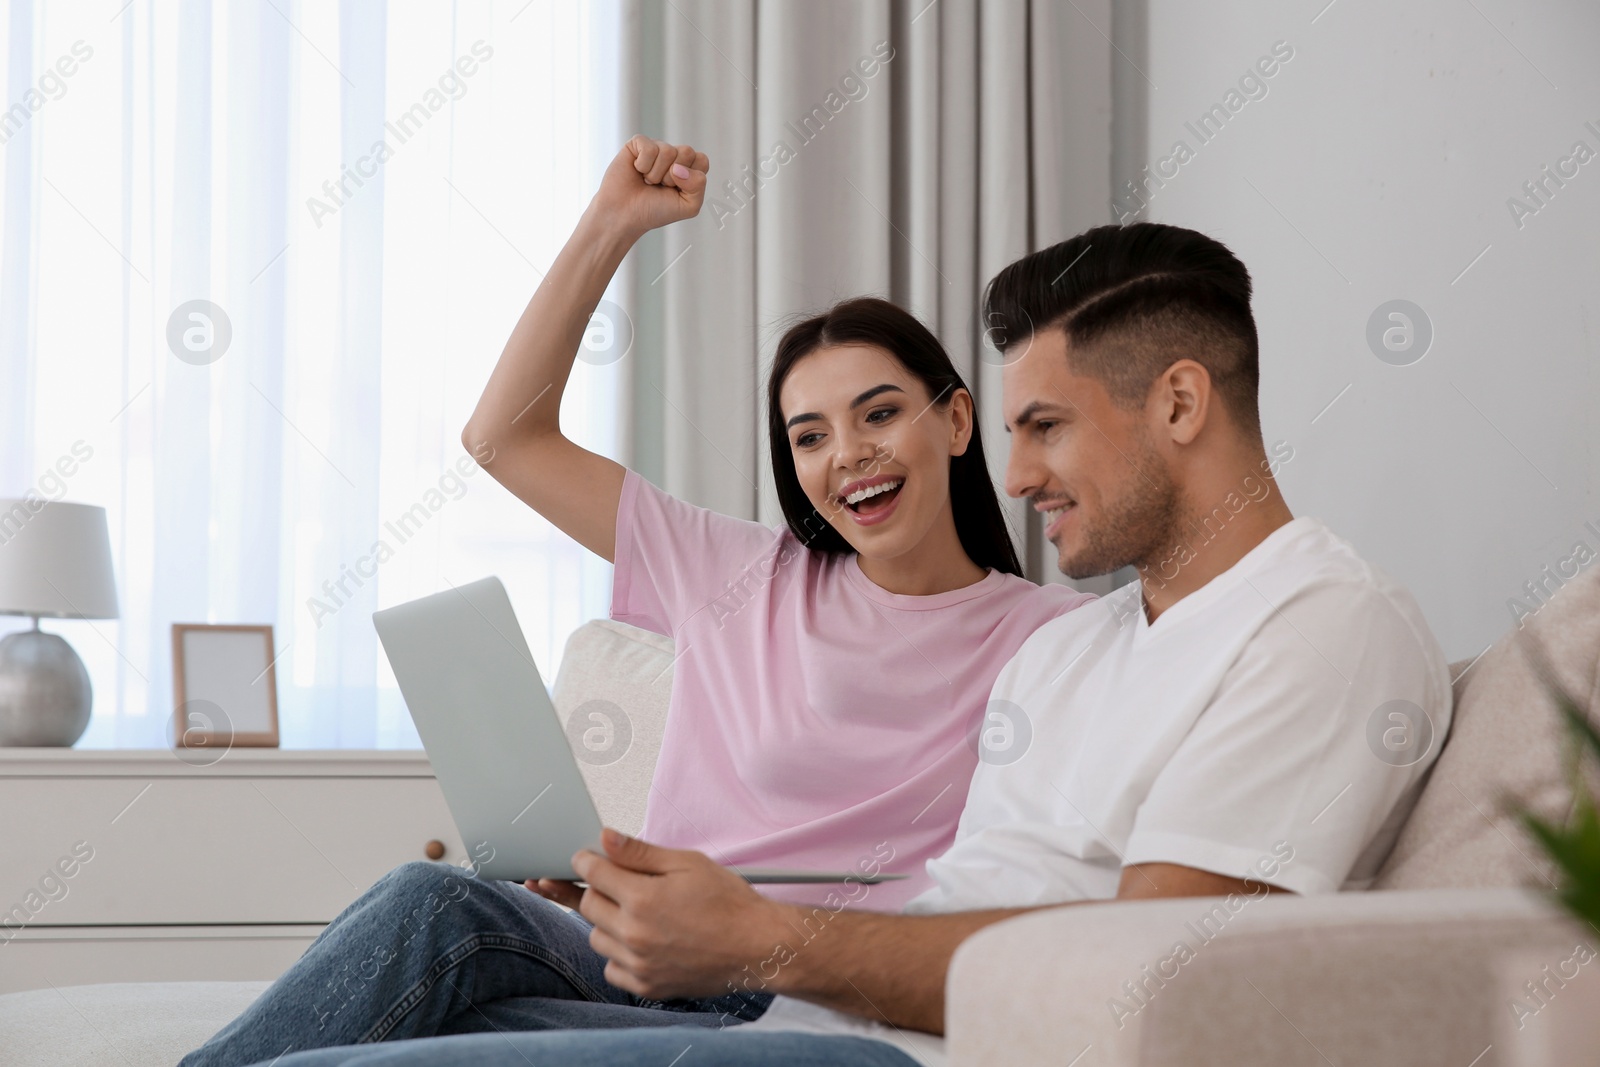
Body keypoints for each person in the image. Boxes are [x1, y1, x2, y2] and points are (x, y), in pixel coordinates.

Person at [232, 220, 1452, 1067]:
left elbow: (1156, 968)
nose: (1020, 473)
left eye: (1043, 427)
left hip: (870, 1038)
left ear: (1179, 404)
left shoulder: (1319, 626)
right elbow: (958, 893)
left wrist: (758, 933)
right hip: (812, 1020)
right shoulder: (1080, 654)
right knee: (396, 967)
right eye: (809, 433)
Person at [179, 139, 1093, 1067]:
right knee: (432, 902)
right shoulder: (736, 570)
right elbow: (505, 438)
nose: (848, 453)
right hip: (638, 958)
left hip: (805, 989)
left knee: (439, 1019)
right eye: (809, 435)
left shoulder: (1054, 636)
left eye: (880, 412)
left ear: (958, 418)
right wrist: (611, 225)